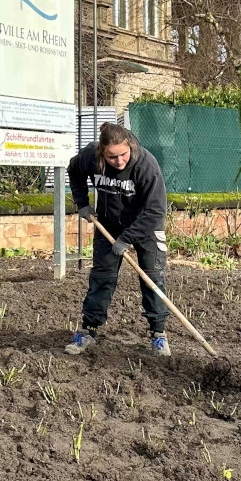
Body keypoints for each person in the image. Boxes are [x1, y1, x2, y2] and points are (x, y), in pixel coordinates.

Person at [64, 122, 171, 357]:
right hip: (109, 225)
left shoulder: (146, 165)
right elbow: (74, 171)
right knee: (102, 277)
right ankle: (89, 330)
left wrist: (127, 238)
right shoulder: (90, 157)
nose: (120, 161)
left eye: (123, 154)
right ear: (102, 152)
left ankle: (158, 334)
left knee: (152, 278)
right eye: (112, 157)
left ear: (130, 146)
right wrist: (82, 203)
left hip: (146, 226)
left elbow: (156, 210)